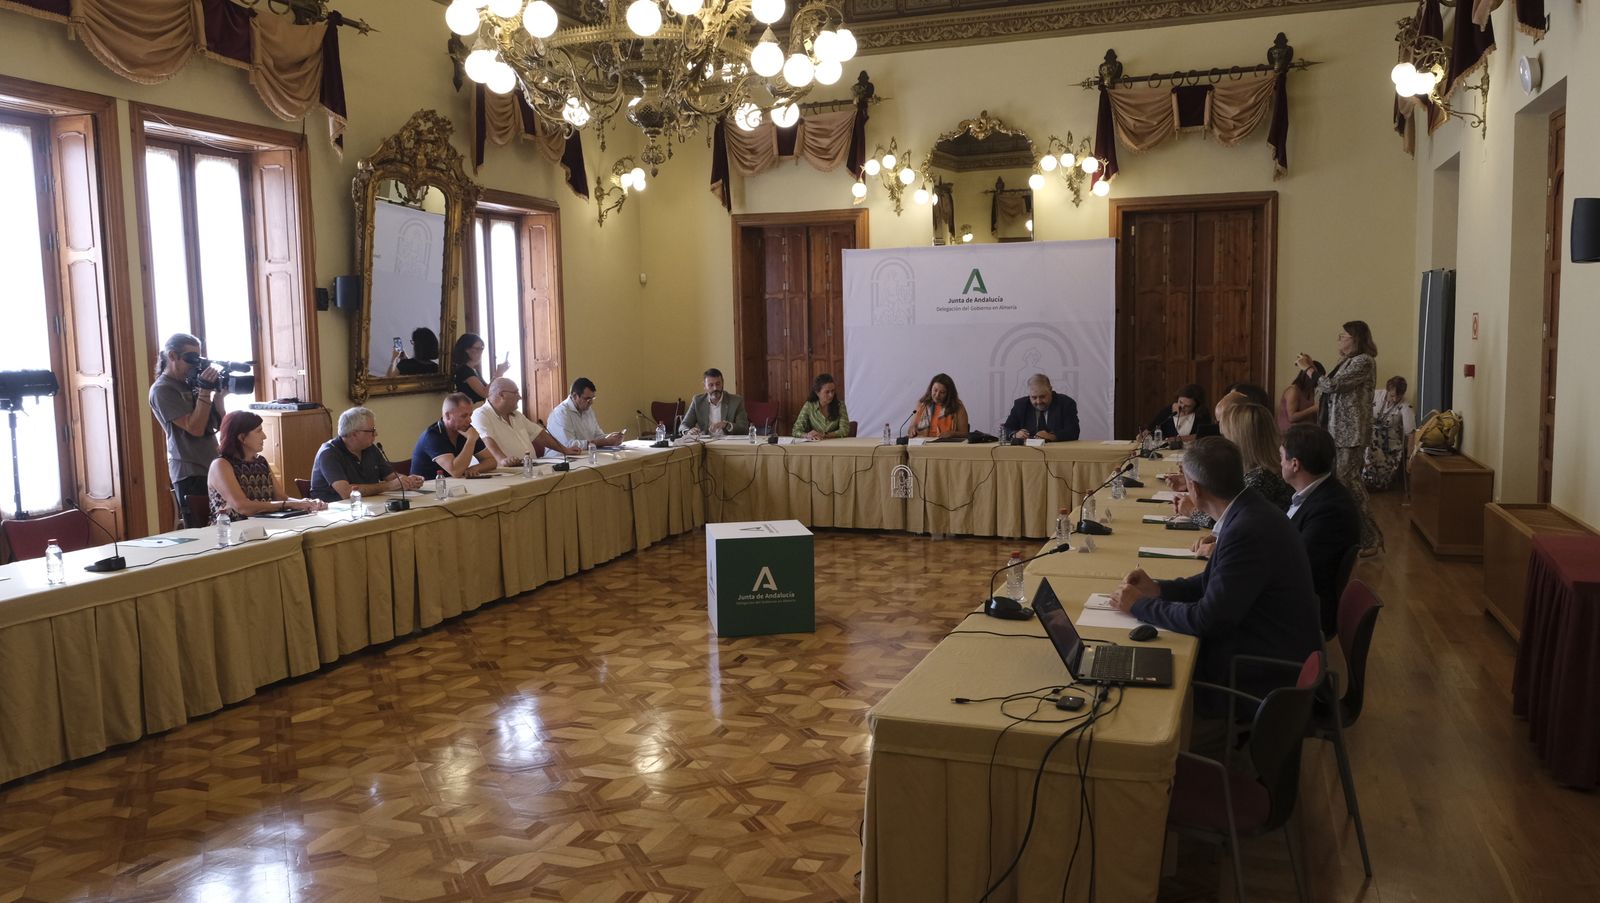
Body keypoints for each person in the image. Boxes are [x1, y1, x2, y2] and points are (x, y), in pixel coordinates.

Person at [1109, 437, 1320, 709]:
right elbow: (1216, 581)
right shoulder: (1249, 510)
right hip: (1269, 644)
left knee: (1139, 684)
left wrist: (1140, 606)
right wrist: (1160, 589)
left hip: (1262, 673)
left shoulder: (1246, 530)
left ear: (1194, 489)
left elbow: (1207, 620)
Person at [1298, 320, 1382, 554]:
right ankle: (1347, 534)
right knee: (1340, 483)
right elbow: (1323, 388)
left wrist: (1309, 369)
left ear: (1356, 339)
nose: (1339, 340)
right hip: (1336, 430)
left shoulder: (1364, 361)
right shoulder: (1345, 361)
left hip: (1350, 433)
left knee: (1349, 483)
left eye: (1343, 336)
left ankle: (1371, 538)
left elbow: (1332, 385)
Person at [1281, 423, 1362, 637]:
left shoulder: (1330, 510)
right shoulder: (1315, 493)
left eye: (1281, 457)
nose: (1279, 462)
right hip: (1293, 596)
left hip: (1302, 612)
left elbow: (1295, 567)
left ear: (1295, 464)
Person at [1175, 402, 1293, 533]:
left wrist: (1192, 511)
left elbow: (1227, 519)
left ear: (1240, 440)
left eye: (1225, 436)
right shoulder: (1261, 470)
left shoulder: (1261, 478)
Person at [149, 333, 226, 524]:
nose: (195, 364)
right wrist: (205, 391)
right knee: (201, 530)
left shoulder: (192, 384)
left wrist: (219, 397)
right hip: (190, 470)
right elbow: (195, 428)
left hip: (212, 464)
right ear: (172, 356)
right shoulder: (163, 389)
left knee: (223, 524)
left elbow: (218, 425)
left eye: (198, 358)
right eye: (190, 358)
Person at [207, 411, 327, 522]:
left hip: (263, 526)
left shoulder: (261, 461)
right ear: (242, 437)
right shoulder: (221, 465)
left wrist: (307, 503)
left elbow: (281, 498)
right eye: (258, 431)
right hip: (229, 531)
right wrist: (292, 504)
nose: (264, 436)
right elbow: (242, 506)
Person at [310, 407, 425, 502]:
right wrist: (389, 486)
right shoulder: (329, 453)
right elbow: (346, 492)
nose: (376, 434)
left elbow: (391, 477)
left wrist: (408, 481)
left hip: (368, 505)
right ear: (354, 434)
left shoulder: (370, 448)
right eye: (372, 430)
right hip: (333, 512)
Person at [473, 378, 575, 465]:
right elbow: (486, 440)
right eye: (516, 393)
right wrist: (502, 460)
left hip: (529, 468)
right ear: (502, 395)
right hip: (504, 473)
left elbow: (539, 435)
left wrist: (564, 450)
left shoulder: (517, 415)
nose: (520, 397)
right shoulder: (481, 414)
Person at [412, 393, 497, 479]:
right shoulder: (432, 436)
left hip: (452, 484)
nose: (469, 420)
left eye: (470, 415)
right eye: (464, 416)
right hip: (428, 485)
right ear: (448, 416)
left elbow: (491, 461)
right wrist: (471, 440)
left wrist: (474, 468)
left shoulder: (465, 429)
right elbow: (456, 471)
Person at [546, 377, 625, 455]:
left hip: (583, 456)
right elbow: (569, 445)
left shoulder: (588, 410)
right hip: (559, 459)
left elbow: (597, 435)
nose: (591, 402)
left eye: (592, 398)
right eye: (587, 399)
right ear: (575, 396)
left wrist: (611, 438)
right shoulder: (561, 413)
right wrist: (605, 442)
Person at [1363, 375, 1415, 490]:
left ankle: (1375, 482)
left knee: (1379, 481)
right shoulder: (1375, 395)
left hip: (1390, 446)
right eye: (1392, 395)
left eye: (1399, 396)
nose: (1395, 399)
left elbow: (1411, 434)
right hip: (1370, 440)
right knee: (1368, 438)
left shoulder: (1406, 406)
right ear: (1387, 390)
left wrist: (1409, 459)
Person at [1002, 374, 1080, 441]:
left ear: (1050, 390)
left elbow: (1073, 431)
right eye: (1034, 397)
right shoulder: (1020, 405)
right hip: (1027, 451)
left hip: (1058, 451)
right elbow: (1006, 429)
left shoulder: (1066, 403)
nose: (1038, 401)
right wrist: (1015, 434)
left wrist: (1051, 436)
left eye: (1042, 397)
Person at [681, 368, 749, 436]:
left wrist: (726, 425)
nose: (715, 388)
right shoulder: (697, 401)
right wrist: (688, 432)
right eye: (711, 385)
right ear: (704, 386)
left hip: (728, 441)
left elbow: (744, 429)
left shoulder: (736, 401)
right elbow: (684, 425)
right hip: (705, 441)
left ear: (723, 383)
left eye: (718, 384)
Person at [451, 332, 508, 404]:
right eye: (477, 348)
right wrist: (498, 373)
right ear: (466, 350)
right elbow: (484, 393)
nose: (480, 352)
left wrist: (500, 373)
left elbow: (490, 390)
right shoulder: (464, 370)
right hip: (471, 409)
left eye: (482, 348)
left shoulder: (474, 370)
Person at [909, 373, 969, 439]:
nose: (937, 395)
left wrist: (953, 434)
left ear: (949, 394)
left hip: (946, 444)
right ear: (931, 388)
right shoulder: (922, 404)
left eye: (942, 392)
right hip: (923, 443)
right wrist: (912, 429)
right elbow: (912, 427)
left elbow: (965, 434)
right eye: (935, 390)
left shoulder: (958, 407)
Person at [1143, 383, 1211, 441]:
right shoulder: (1167, 411)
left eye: (1187, 406)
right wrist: (1145, 435)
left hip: (1193, 450)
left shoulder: (1202, 413)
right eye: (1180, 402)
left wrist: (1178, 439)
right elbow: (1151, 430)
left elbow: (1204, 435)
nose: (1182, 407)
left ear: (1197, 405)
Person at [792, 373, 851, 439]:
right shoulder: (809, 405)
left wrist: (824, 435)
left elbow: (844, 430)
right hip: (816, 443)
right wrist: (807, 435)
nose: (831, 395)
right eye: (827, 392)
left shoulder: (840, 405)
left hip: (835, 443)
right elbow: (796, 430)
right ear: (817, 393)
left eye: (833, 391)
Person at [1278, 361, 1324, 432]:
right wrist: (1313, 409)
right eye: (1316, 378)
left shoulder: (1311, 390)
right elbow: (1292, 417)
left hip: (1305, 430)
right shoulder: (1293, 390)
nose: (1318, 382)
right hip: (1290, 432)